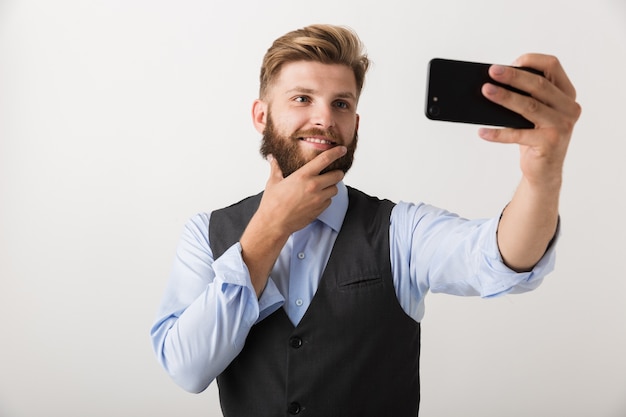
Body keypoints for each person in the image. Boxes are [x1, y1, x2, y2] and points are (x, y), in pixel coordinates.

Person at [150, 24, 581, 416]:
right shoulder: (205, 234)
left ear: (355, 123)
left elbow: (501, 256)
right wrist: (270, 229)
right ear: (261, 116)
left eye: (341, 103)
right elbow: (188, 370)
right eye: (302, 98)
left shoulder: (400, 231)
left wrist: (543, 175)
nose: (323, 118)